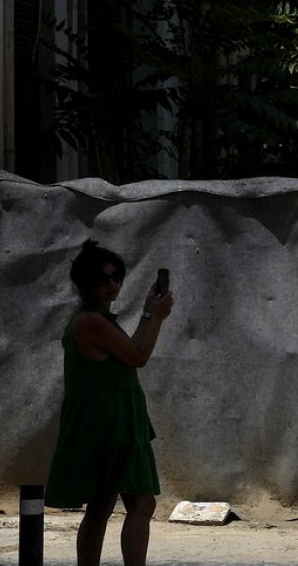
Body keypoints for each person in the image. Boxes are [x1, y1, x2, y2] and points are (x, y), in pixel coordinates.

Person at [44, 240, 173, 566]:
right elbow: (139, 356)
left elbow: (131, 353)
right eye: (104, 279)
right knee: (128, 505)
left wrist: (150, 312)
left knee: (115, 507)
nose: (112, 285)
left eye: (116, 277)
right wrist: (155, 315)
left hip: (117, 423)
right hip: (108, 426)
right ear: (86, 283)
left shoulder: (98, 319)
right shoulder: (91, 321)